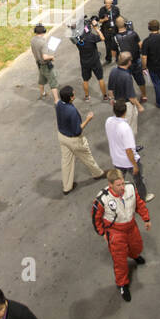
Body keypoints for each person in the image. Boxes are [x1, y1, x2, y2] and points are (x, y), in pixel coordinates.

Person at [91, 169, 151, 301]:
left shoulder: (130, 188)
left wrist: (146, 218)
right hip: (115, 232)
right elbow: (96, 218)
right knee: (120, 260)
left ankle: (134, 255)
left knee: (137, 246)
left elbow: (139, 203)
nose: (122, 187)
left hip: (131, 226)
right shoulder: (102, 198)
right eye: (118, 185)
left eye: (123, 183)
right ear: (110, 184)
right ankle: (122, 284)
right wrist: (102, 233)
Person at [56, 85, 105, 194]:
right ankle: (98, 173)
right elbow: (77, 130)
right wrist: (88, 119)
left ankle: (67, 187)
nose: (75, 94)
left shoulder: (59, 104)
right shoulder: (71, 111)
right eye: (73, 93)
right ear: (71, 98)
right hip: (73, 140)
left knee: (66, 162)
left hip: (62, 136)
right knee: (87, 156)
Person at [105, 101, 151, 202]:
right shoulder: (125, 128)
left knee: (119, 181)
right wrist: (134, 165)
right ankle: (143, 196)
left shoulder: (108, 121)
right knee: (139, 180)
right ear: (125, 111)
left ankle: (118, 198)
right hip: (128, 161)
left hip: (116, 159)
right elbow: (129, 150)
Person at [106, 53, 143, 140]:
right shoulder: (127, 76)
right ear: (129, 62)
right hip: (127, 106)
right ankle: (130, 148)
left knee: (120, 126)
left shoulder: (113, 71)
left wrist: (111, 99)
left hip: (117, 103)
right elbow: (131, 97)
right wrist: (139, 106)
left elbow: (110, 89)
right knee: (130, 128)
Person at [74, 16, 107, 103]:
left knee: (85, 80)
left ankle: (87, 96)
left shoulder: (76, 39)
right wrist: (97, 29)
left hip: (84, 61)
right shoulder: (91, 36)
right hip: (95, 60)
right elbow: (103, 38)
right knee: (100, 78)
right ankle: (105, 96)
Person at [113, 17, 146, 104]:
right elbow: (140, 45)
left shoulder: (115, 37)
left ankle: (131, 98)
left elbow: (113, 52)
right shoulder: (133, 33)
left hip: (124, 64)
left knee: (127, 81)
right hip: (135, 59)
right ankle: (144, 95)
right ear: (125, 23)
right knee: (140, 79)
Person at [29, 23, 59, 103]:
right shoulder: (43, 42)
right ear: (44, 31)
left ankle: (42, 94)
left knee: (41, 79)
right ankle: (56, 100)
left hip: (39, 63)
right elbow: (45, 57)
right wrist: (52, 57)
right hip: (46, 64)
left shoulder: (32, 40)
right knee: (53, 82)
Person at [97, 0, 121, 65]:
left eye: (108, 3)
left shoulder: (116, 9)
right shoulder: (102, 10)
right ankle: (108, 59)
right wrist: (104, 19)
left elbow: (118, 18)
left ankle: (117, 57)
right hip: (106, 31)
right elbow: (99, 21)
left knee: (116, 44)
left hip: (115, 30)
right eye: (106, 3)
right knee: (108, 46)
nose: (107, 5)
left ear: (111, 3)